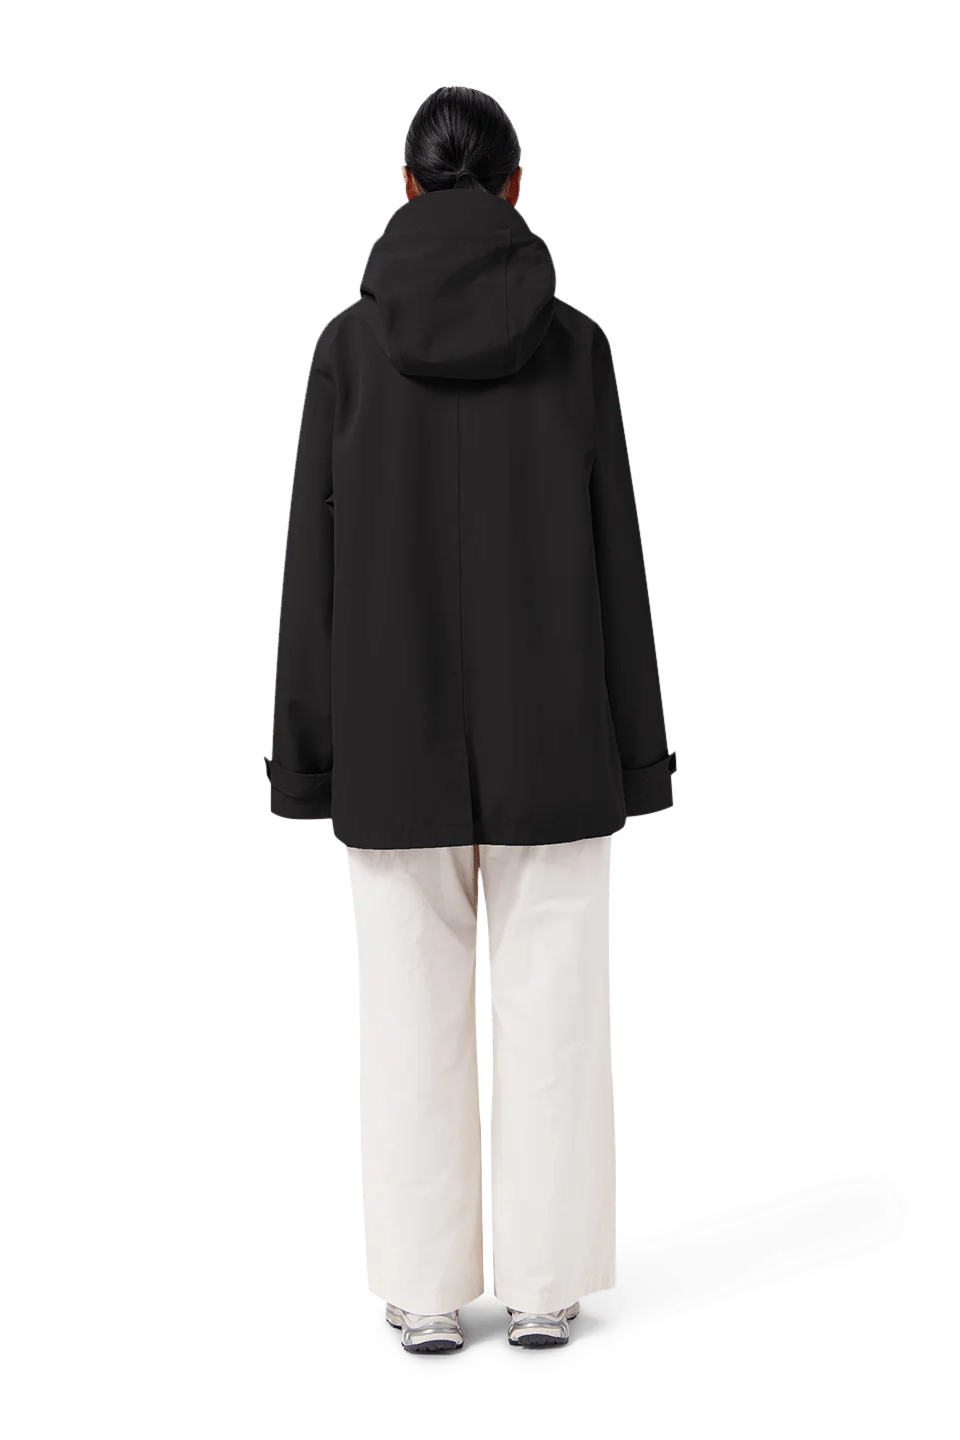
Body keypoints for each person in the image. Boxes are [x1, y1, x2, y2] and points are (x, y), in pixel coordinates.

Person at [262, 85, 677, 1354]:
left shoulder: (345, 348)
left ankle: (426, 1294)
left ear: (403, 185)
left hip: (390, 748)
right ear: (515, 187)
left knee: (405, 1018)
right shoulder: (580, 346)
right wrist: (639, 756)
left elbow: (310, 573)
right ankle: (546, 1289)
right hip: (558, 736)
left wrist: (305, 756)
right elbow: (618, 562)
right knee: (557, 1011)